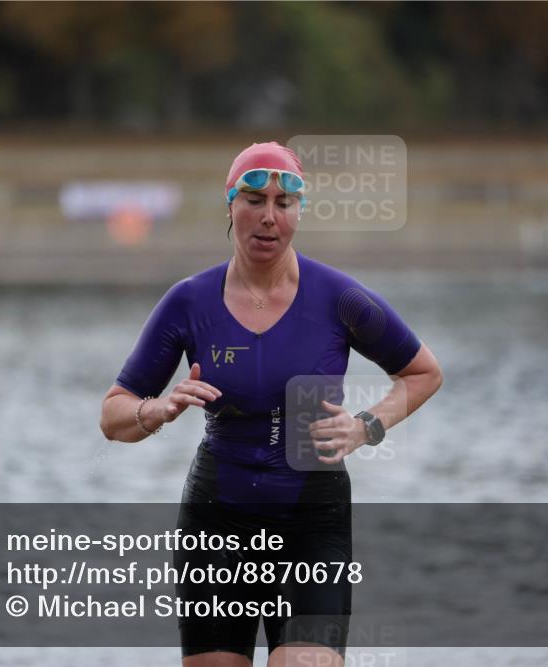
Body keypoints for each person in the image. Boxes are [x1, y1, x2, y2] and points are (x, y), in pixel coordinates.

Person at [99, 141, 443, 667]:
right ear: (230, 205)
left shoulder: (339, 298)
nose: (268, 218)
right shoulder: (189, 301)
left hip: (313, 521)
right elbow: (113, 414)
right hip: (217, 520)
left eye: (284, 204)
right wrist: (158, 409)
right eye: (255, 200)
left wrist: (366, 427)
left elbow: (422, 373)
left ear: (299, 212)